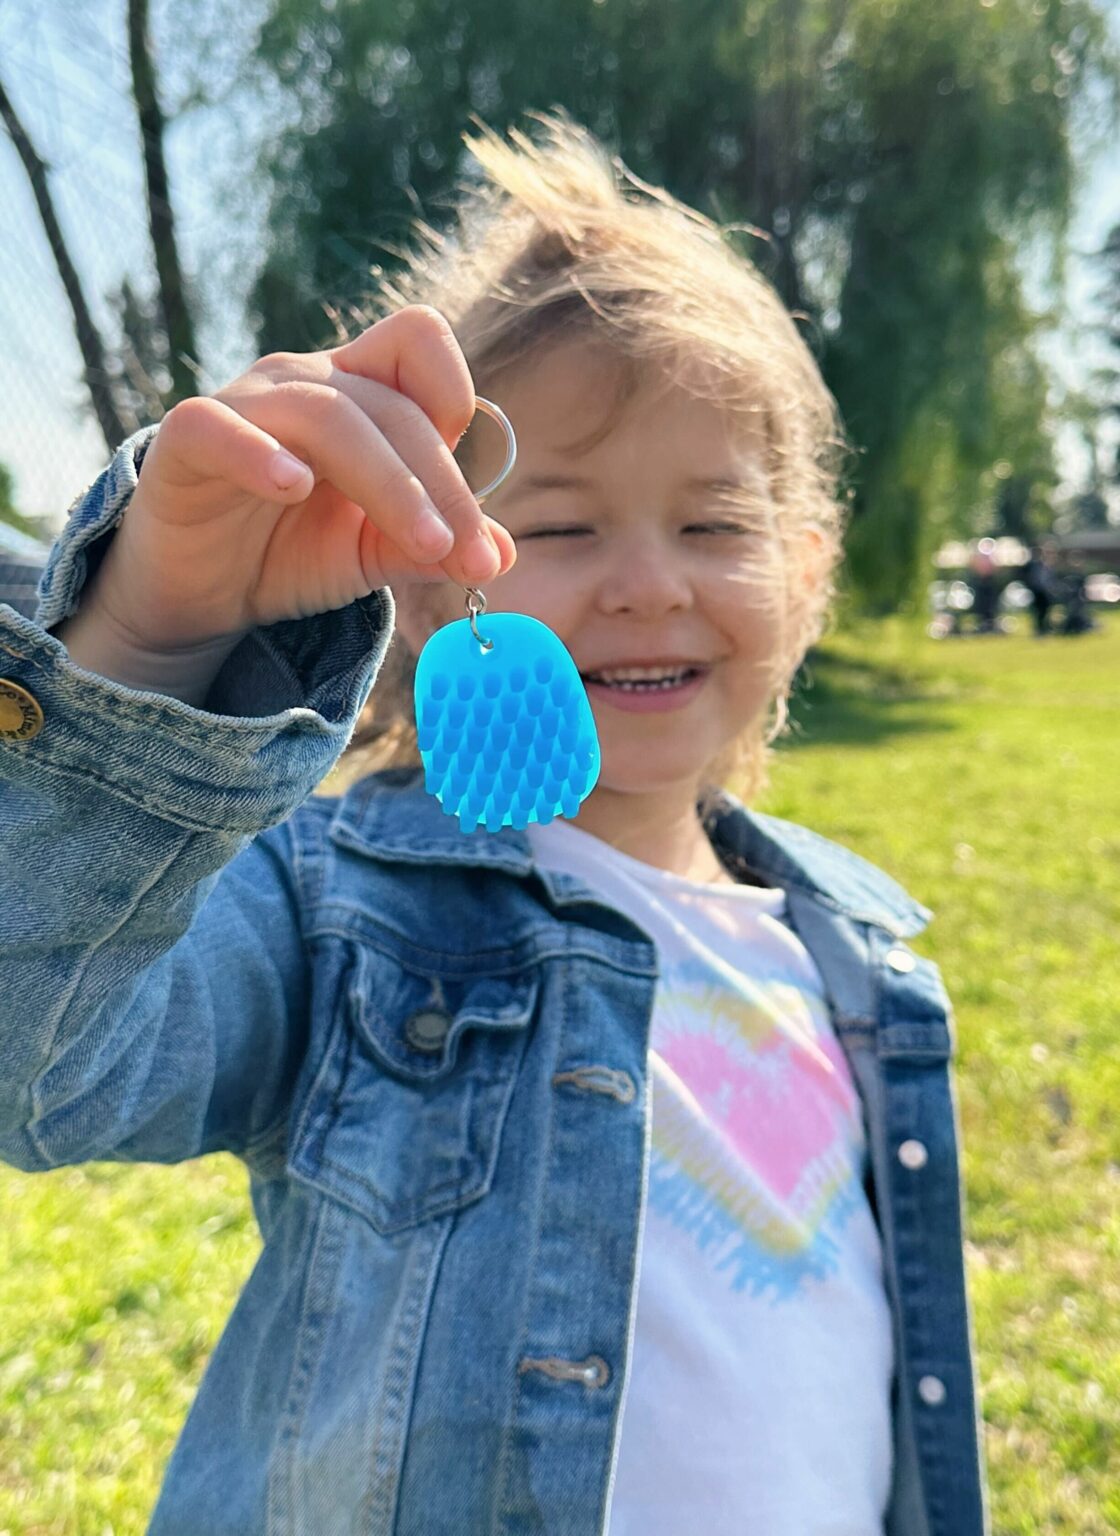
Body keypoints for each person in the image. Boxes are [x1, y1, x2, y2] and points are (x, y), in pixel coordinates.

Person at [0, 115, 988, 1535]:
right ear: (418, 575)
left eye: (714, 526)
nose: (649, 585)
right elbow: (40, 1063)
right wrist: (151, 639)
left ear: (809, 565)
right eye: (565, 530)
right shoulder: (338, 906)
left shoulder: (869, 964)